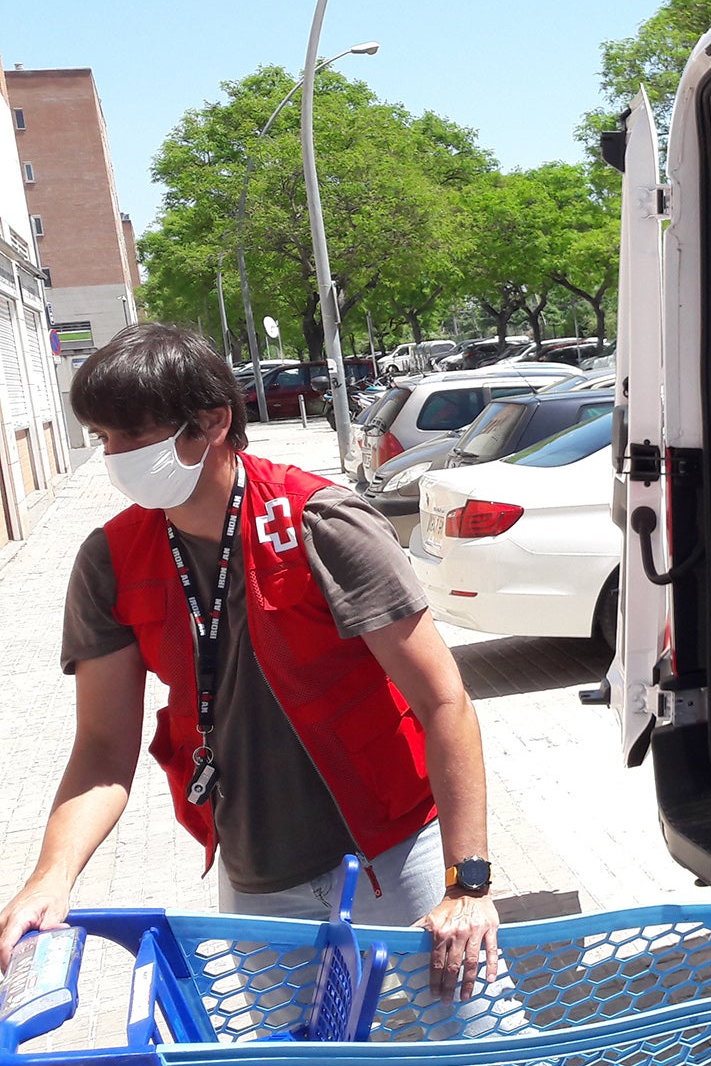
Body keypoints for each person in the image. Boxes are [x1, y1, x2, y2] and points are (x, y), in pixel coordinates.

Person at [0, 325, 499, 1000]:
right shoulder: (110, 562)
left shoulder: (321, 524)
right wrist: (51, 876)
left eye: (133, 435)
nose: (115, 457)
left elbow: (445, 700)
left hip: (398, 853)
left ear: (211, 421)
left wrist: (467, 884)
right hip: (260, 879)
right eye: (102, 438)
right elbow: (101, 747)